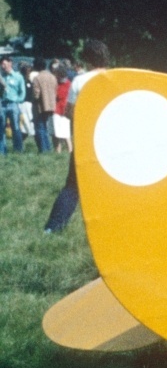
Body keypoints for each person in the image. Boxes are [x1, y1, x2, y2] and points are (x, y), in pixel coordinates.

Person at [45, 40, 109, 232]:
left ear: (87, 58)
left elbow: (69, 112)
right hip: (110, 139)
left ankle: (53, 228)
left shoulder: (80, 81)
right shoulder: (115, 77)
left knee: (73, 185)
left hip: (86, 139)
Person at [30, 57, 58, 153]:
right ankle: (48, 148)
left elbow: (36, 94)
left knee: (40, 128)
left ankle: (44, 149)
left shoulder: (37, 78)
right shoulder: (52, 76)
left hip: (40, 106)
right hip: (51, 105)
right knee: (45, 128)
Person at [0, 57, 27, 154]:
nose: (3, 66)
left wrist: (17, 100)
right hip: (2, 104)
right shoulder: (1, 77)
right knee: (1, 128)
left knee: (16, 128)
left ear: (10, 63)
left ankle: (18, 150)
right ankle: (2, 151)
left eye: (4, 64)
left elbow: (22, 92)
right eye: (1, 65)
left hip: (13, 105)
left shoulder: (18, 77)